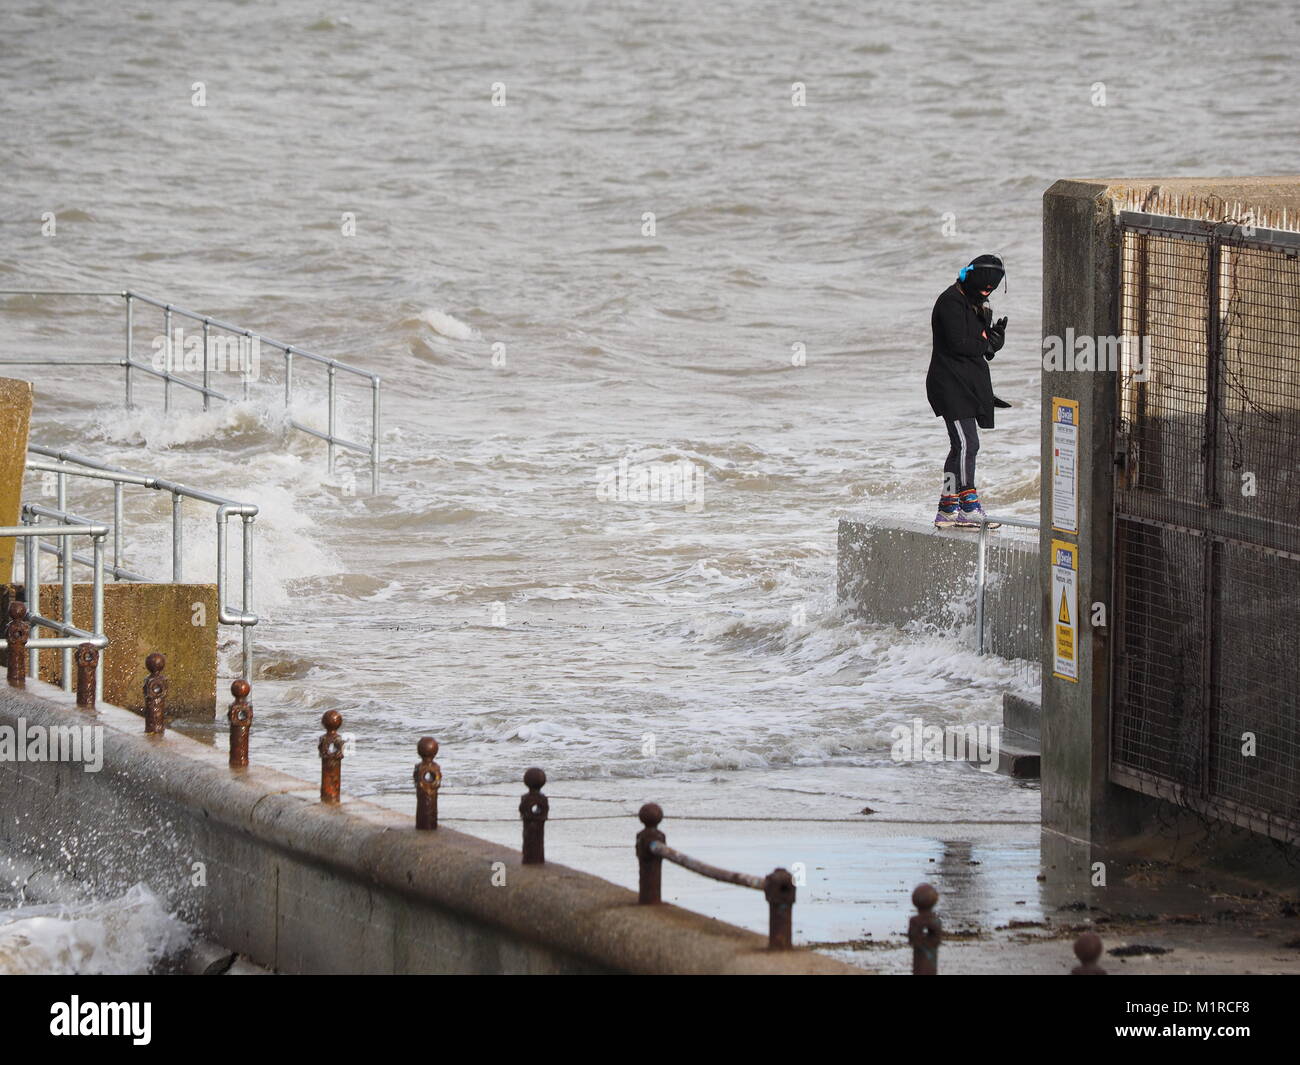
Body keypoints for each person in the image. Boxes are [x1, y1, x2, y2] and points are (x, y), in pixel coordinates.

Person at [925, 254, 1008, 528]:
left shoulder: (975, 304)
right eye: (984, 288)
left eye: (991, 290)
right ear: (969, 278)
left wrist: (993, 342)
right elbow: (960, 343)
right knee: (967, 444)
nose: (987, 293)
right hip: (949, 385)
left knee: (959, 446)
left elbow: (980, 346)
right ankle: (968, 506)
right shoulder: (950, 302)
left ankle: (947, 508)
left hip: (966, 384)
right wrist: (983, 343)